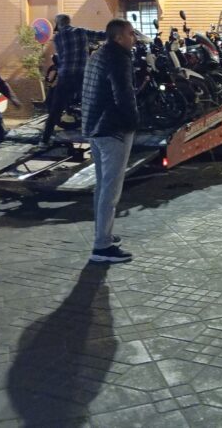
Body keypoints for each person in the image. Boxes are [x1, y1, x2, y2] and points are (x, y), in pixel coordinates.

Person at [81, 19, 140, 263]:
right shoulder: (119, 58)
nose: (133, 38)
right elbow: (123, 94)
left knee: (102, 186)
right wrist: (133, 123)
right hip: (113, 130)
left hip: (94, 128)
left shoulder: (98, 54)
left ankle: (102, 235)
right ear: (118, 37)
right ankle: (102, 247)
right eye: (130, 34)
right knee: (111, 190)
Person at [41, 14, 107, 144]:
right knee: (94, 105)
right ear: (69, 21)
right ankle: (100, 138)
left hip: (65, 76)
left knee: (55, 109)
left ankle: (44, 140)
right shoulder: (80, 32)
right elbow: (101, 35)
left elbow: (61, 56)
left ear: (59, 24)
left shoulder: (57, 37)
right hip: (82, 75)